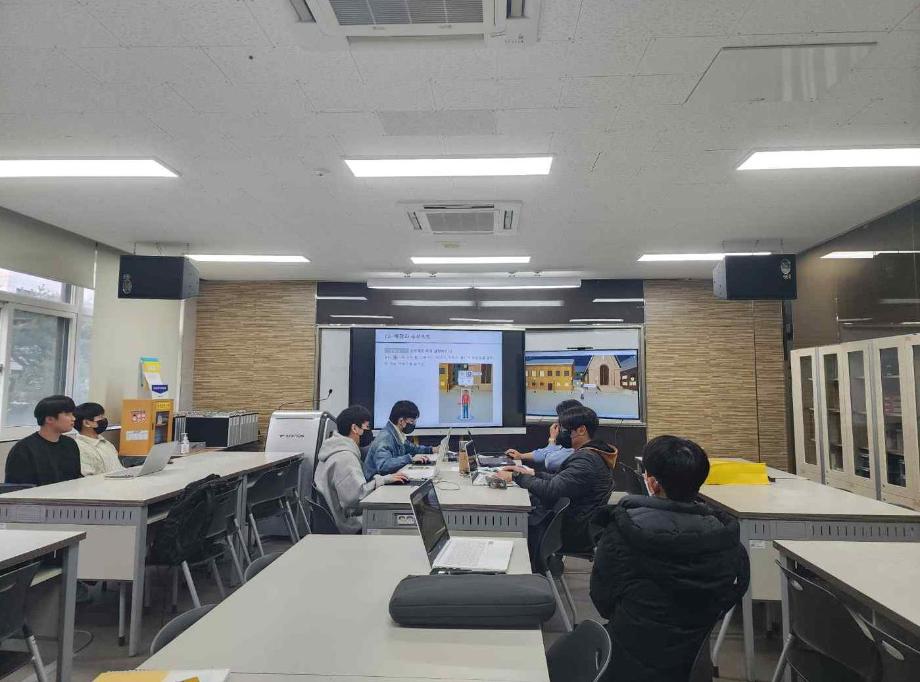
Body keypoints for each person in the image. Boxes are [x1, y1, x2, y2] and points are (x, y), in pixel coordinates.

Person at [589, 436, 750, 682]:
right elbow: (732, 592)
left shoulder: (622, 532)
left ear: (652, 483)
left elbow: (602, 599)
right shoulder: (726, 537)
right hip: (694, 661)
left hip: (627, 655)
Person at [496, 405, 617, 562]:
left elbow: (552, 489)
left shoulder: (586, 461)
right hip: (574, 521)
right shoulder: (589, 454)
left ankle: (530, 567)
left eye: (565, 429)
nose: (560, 434)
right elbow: (560, 479)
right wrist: (532, 473)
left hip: (569, 530)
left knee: (516, 520)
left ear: (581, 430)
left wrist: (516, 476)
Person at [314, 405, 408, 533]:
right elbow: (356, 498)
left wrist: (382, 480)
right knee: (397, 518)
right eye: (367, 427)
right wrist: (383, 481)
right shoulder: (344, 458)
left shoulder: (333, 448)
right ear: (354, 428)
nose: (369, 432)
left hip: (339, 517)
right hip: (349, 523)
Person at [5, 395, 82, 486]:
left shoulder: (70, 444)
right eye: (67, 414)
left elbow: (76, 478)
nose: (73, 418)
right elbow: (17, 488)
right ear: (49, 419)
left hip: (69, 494)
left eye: (72, 414)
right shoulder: (23, 449)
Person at [505, 399, 581, 473]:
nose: (557, 422)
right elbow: (544, 453)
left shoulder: (574, 447)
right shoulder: (566, 443)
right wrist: (521, 456)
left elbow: (550, 462)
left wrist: (552, 439)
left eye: (560, 419)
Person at [363, 400, 433, 479]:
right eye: (412, 421)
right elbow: (383, 466)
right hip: (376, 483)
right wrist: (409, 459)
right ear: (401, 421)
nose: (414, 424)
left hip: (389, 478)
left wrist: (432, 449)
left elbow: (412, 448)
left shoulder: (396, 433)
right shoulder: (386, 437)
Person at [71, 402, 125, 476]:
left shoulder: (106, 443)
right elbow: (88, 477)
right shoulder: (79, 448)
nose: (104, 419)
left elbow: (118, 468)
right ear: (86, 423)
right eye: (100, 417)